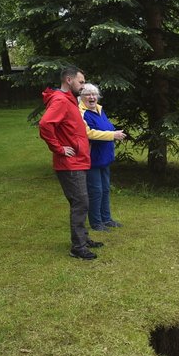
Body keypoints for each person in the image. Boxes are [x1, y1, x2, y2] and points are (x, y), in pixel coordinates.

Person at [38, 66, 108, 260]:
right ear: (69, 80)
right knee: (80, 203)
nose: (83, 86)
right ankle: (78, 247)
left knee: (81, 203)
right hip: (70, 163)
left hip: (78, 161)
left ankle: (83, 239)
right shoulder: (60, 100)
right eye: (81, 82)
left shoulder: (69, 100)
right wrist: (58, 148)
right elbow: (45, 125)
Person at [79, 84, 126, 231]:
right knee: (96, 191)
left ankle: (106, 219)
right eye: (88, 94)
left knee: (105, 189)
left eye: (94, 94)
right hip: (92, 157)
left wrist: (114, 131)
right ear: (81, 97)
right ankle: (96, 222)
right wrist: (113, 135)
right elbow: (88, 133)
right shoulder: (81, 113)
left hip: (105, 156)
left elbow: (106, 127)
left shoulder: (99, 109)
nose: (92, 97)